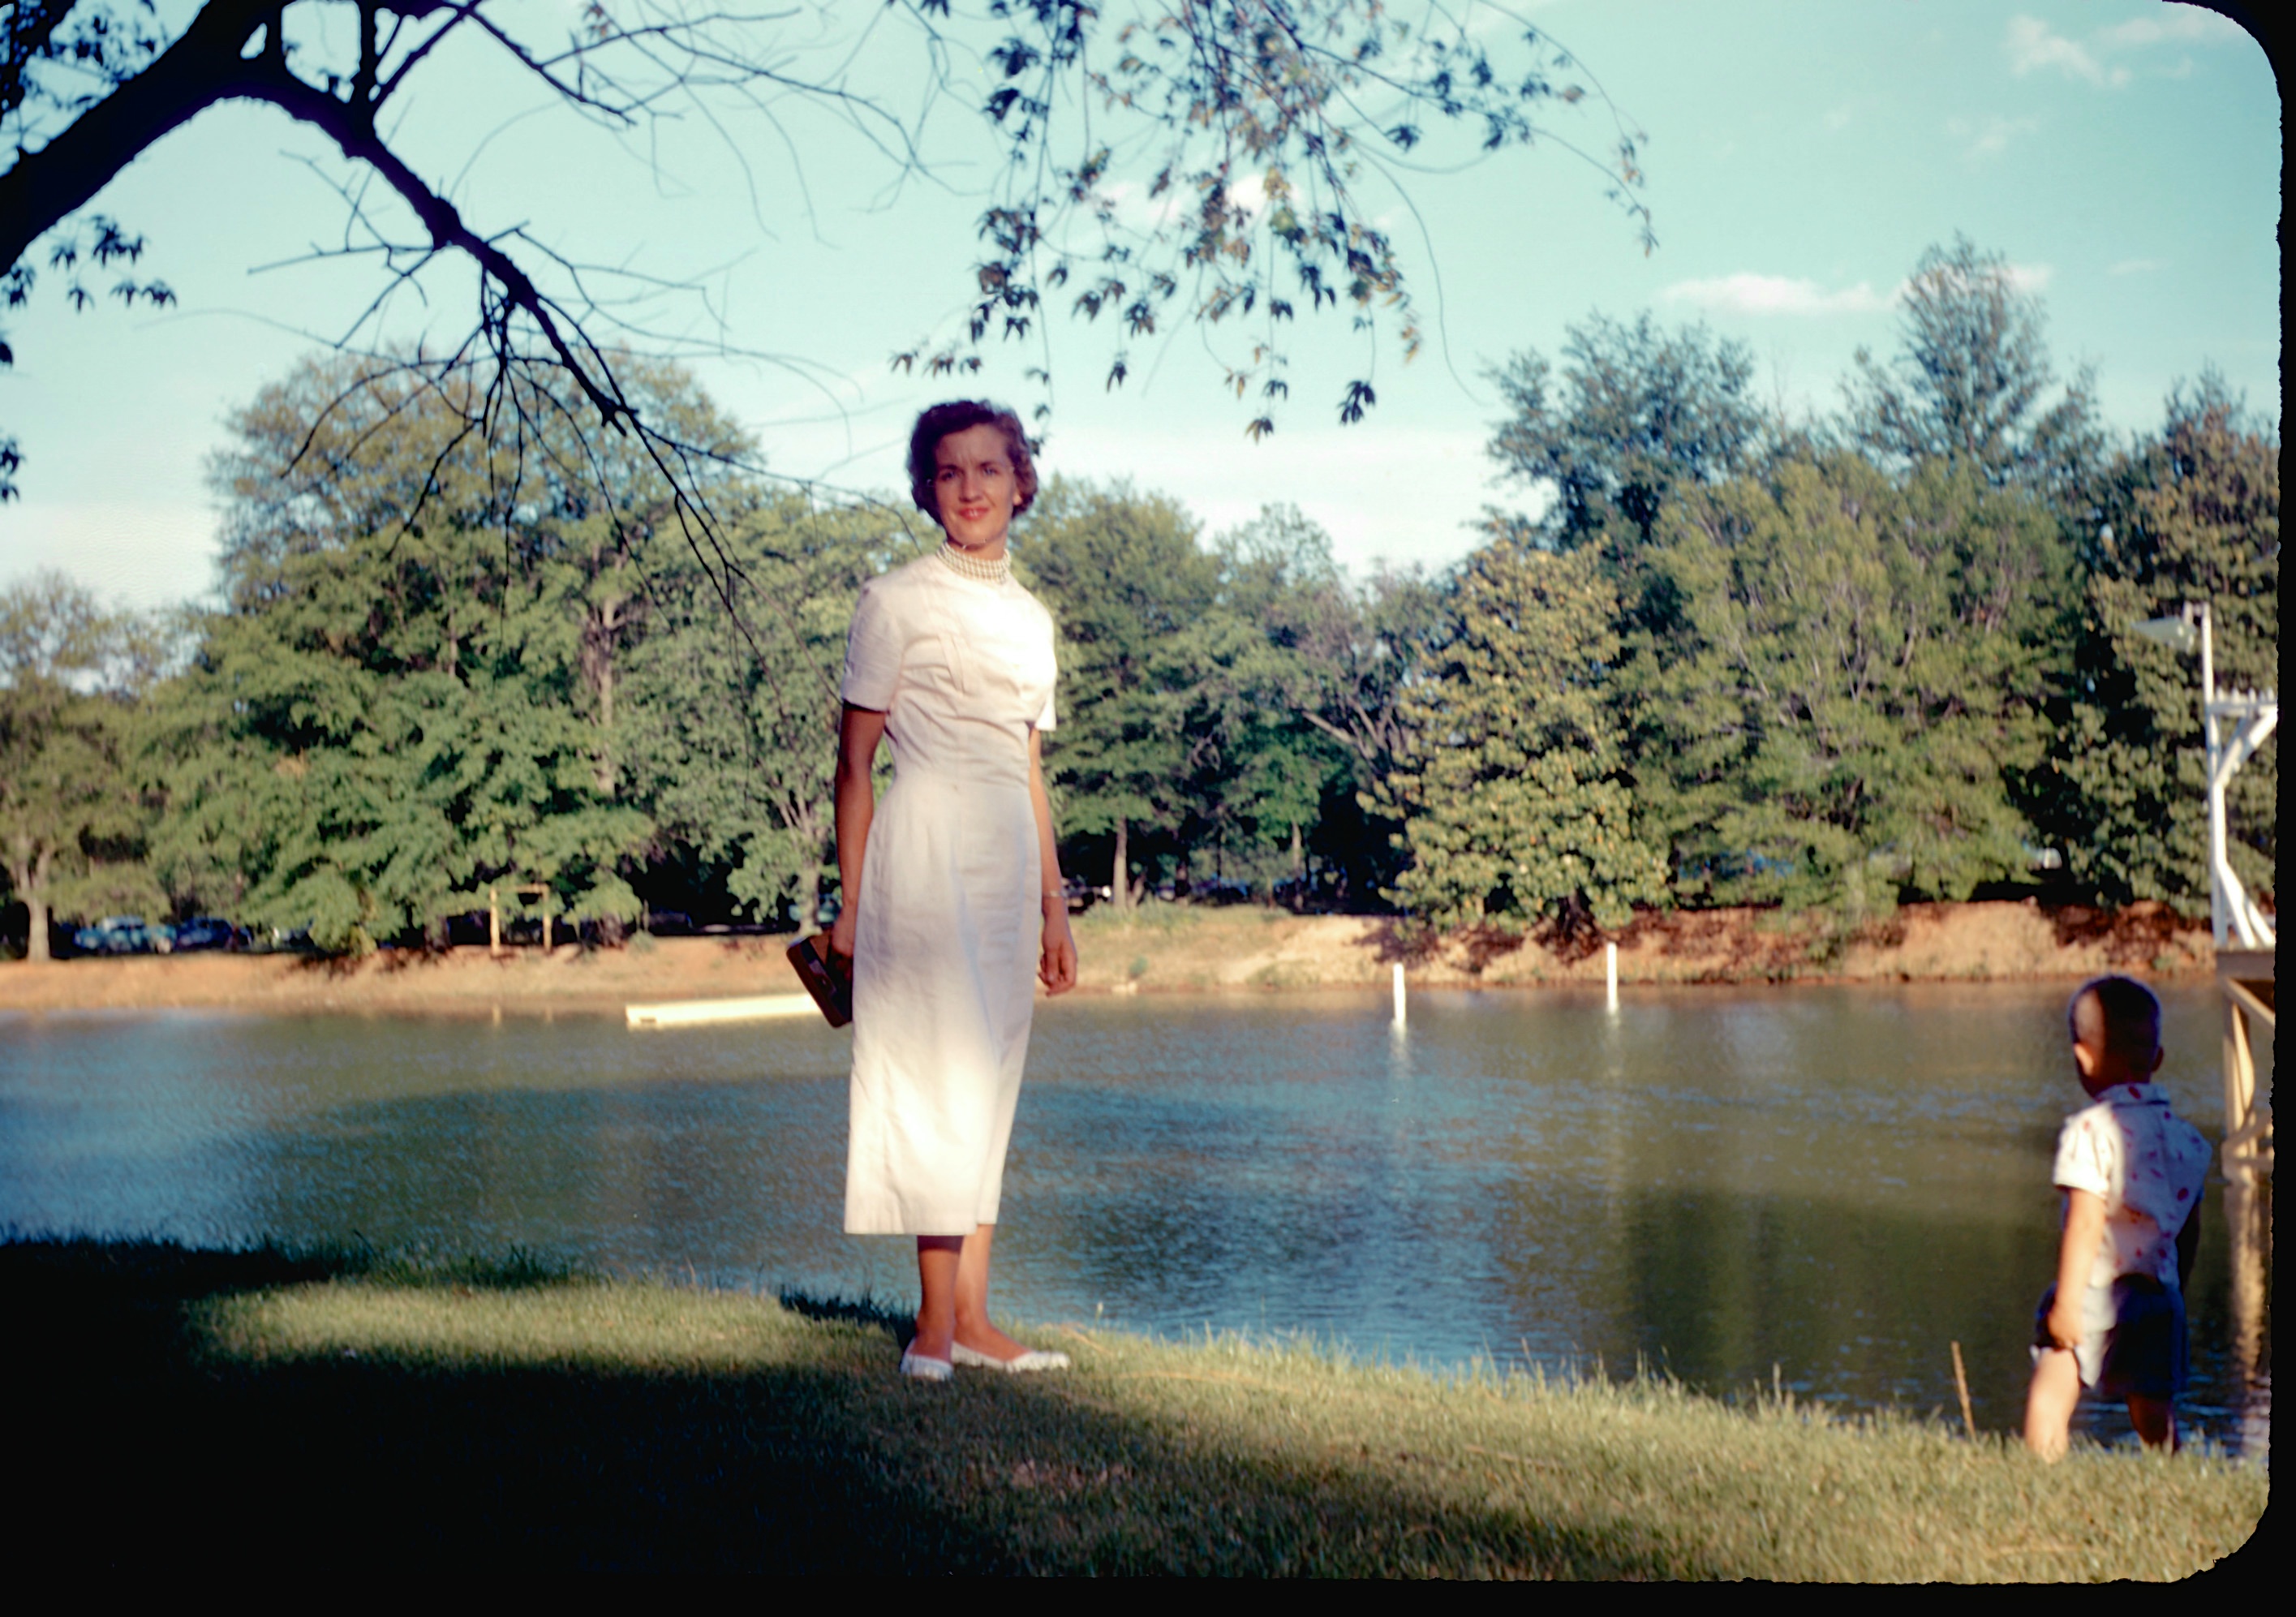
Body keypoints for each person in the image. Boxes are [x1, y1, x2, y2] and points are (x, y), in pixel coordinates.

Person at [827, 398, 1081, 1381]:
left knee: (990, 1077)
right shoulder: (894, 601)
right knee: (935, 1078)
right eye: (948, 471)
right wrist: (851, 904)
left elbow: (1027, 770)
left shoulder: (1033, 620)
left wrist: (1056, 908)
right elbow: (854, 767)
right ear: (927, 490)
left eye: (988, 468)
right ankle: (932, 1321)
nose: (970, 488)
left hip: (1009, 858)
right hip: (923, 851)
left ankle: (974, 1318)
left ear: (1020, 482)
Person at [2023, 975, 2209, 1460]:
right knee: (2153, 1408)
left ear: (2082, 1059)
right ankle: (2171, 1476)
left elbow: (2086, 1223)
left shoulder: (2090, 1131)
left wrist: (2067, 1303)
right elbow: (2189, 1229)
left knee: (2053, 1387)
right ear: (2157, 1058)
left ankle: (2037, 1475)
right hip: (2159, 1293)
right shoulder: (2187, 1140)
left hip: (2095, 1287)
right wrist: (2178, 1289)